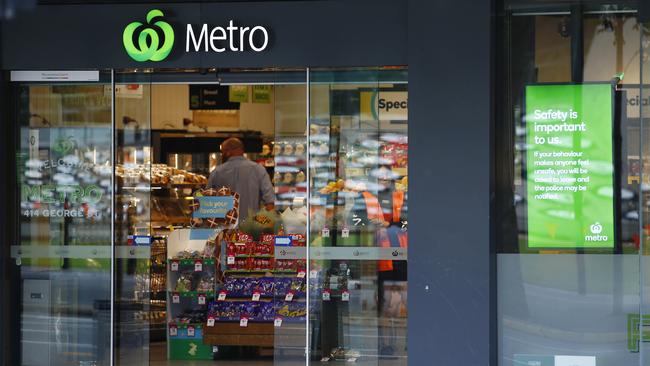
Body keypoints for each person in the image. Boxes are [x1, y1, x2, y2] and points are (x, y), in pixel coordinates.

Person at [207, 137, 275, 221]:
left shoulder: (217, 172)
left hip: (225, 230)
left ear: (228, 152)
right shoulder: (258, 169)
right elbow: (270, 203)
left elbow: (207, 203)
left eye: (223, 152)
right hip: (251, 229)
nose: (222, 154)